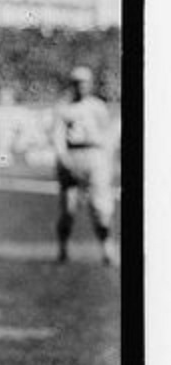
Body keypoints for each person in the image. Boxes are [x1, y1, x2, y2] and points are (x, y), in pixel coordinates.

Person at [51, 65, 117, 265]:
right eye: (77, 82)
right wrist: (63, 158)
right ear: (72, 84)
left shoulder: (97, 106)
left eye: (85, 82)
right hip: (73, 155)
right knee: (68, 209)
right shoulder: (63, 107)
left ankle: (107, 248)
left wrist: (107, 161)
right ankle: (63, 249)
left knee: (100, 207)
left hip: (94, 155)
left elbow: (107, 136)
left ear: (90, 83)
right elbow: (58, 135)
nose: (81, 86)